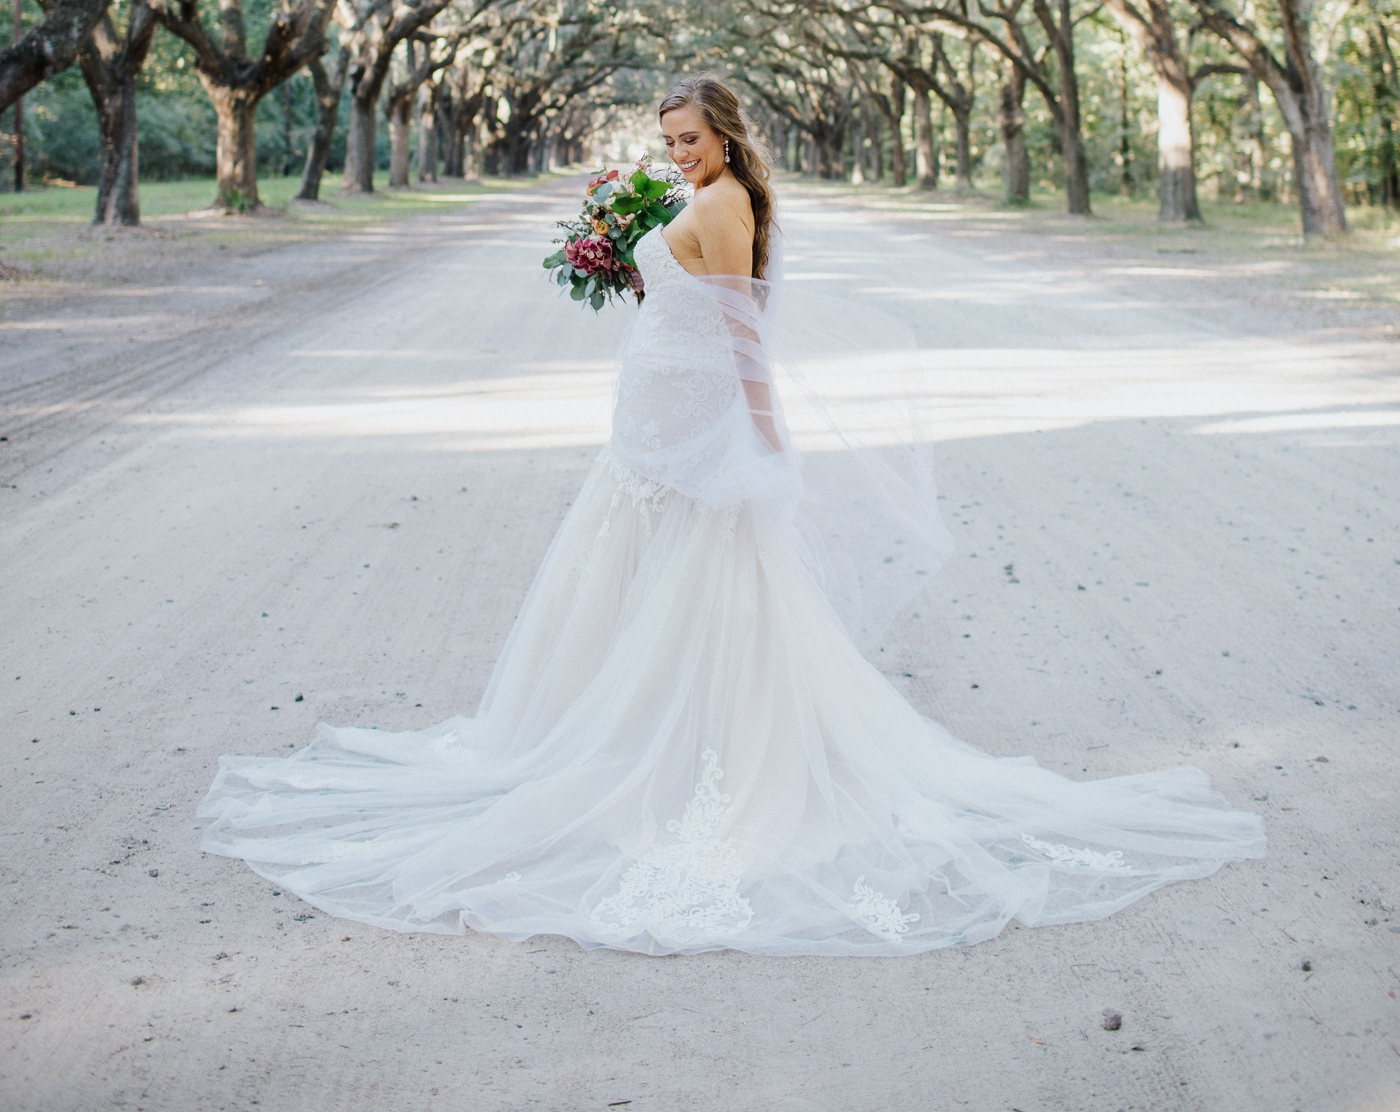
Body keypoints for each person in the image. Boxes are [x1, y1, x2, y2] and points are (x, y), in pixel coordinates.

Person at [200, 74, 1263, 953]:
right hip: (651, 417)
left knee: (714, 591)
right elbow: (679, 293)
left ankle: (699, 759)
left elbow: (743, 332)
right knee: (632, 588)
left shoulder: (727, 204)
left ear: (726, 136)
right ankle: (620, 733)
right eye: (667, 142)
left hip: (699, 425)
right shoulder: (686, 198)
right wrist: (621, 245)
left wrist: (763, 433)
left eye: (693, 139)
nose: (680, 155)